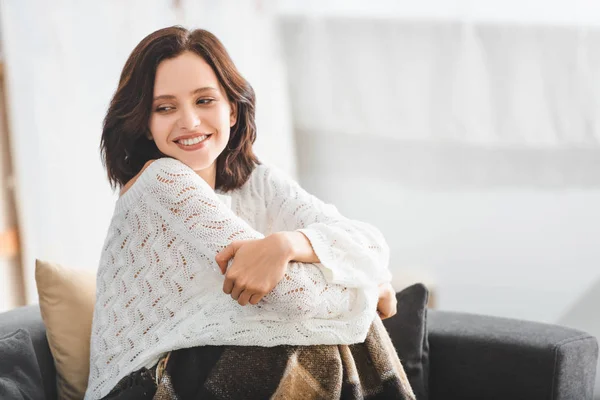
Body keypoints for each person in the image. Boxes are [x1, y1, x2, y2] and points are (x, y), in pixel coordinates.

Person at [85, 26, 411, 400]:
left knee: (308, 341)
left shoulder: (256, 182)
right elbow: (294, 296)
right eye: (165, 107)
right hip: (141, 386)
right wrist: (370, 287)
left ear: (233, 110)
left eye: (204, 100)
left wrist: (287, 244)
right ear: (145, 122)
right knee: (308, 342)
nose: (189, 121)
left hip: (203, 367)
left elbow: (371, 246)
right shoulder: (162, 182)